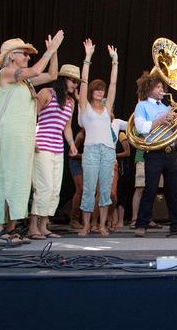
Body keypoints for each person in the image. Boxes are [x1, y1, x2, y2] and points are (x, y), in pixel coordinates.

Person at [0, 31, 65, 248]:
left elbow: (52, 75)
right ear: (12, 56)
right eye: (24, 54)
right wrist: (49, 49)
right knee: (8, 177)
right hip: (11, 133)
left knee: (20, 182)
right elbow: (38, 69)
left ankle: (10, 230)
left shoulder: (24, 82)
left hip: (24, 136)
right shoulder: (5, 73)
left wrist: (55, 51)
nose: (28, 57)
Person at [27, 64, 81, 240]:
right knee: (44, 187)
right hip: (42, 145)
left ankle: (44, 226)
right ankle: (32, 226)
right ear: (63, 79)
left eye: (77, 82)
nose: (75, 85)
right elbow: (31, 115)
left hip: (58, 148)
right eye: (73, 81)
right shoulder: (47, 93)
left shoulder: (71, 102)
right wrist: (33, 138)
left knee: (55, 189)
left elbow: (66, 127)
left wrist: (72, 144)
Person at [133, 72, 177, 236]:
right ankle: (141, 224)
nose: (161, 89)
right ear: (149, 90)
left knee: (174, 189)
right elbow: (141, 128)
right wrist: (160, 121)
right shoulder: (141, 106)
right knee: (150, 189)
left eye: (162, 86)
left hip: (170, 152)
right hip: (154, 151)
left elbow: (175, 132)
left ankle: (176, 224)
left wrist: (175, 123)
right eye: (158, 86)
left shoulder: (167, 107)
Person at [77, 39, 119, 237]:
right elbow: (83, 83)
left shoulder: (106, 108)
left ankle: (102, 225)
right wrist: (88, 57)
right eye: (97, 89)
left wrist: (115, 61)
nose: (100, 91)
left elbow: (113, 84)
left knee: (105, 190)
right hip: (92, 150)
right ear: (92, 92)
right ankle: (86, 225)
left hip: (108, 150)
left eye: (101, 89)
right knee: (88, 189)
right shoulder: (84, 107)